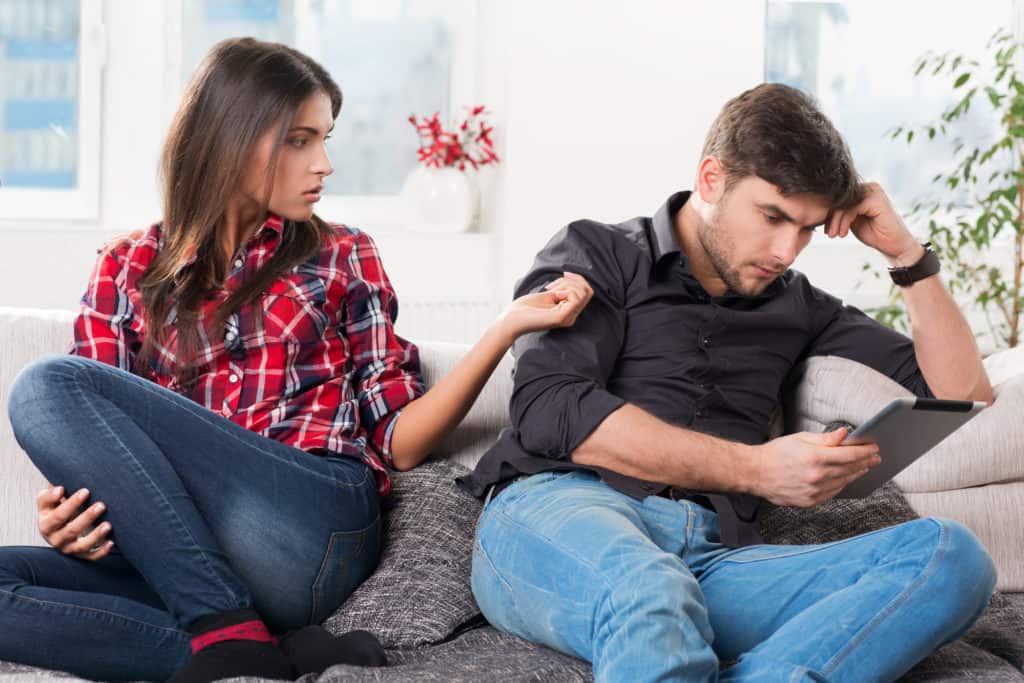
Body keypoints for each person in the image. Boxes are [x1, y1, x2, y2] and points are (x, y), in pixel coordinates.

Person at [1, 37, 592, 683]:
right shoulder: (126, 267)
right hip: (184, 556)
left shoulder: (342, 255)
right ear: (231, 136)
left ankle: (224, 627)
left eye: (325, 138)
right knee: (51, 420)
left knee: (45, 386)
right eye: (301, 140)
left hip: (309, 525)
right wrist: (68, 515)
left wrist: (503, 330)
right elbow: (93, 433)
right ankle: (255, 650)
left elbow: (398, 441)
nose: (326, 164)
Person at [460, 83, 997, 682]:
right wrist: (759, 470)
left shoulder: (801, 306)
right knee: (651, 590)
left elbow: (963, 391)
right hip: (560, 515)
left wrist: (906, 256)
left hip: (715, 560)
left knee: (952, 558)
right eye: (772, 217)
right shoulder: (598, 252)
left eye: (807, 229)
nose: (786, 250)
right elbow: (551, 409)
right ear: (711, 179)